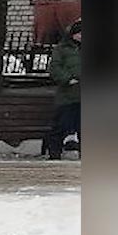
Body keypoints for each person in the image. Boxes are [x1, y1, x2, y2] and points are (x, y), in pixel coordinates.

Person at [43, 19, 81, 159]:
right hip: (68, 95)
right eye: (79, 33)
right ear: (73, 34)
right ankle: (54, 153)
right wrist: (67, 79)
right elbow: (55, 68)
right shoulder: (62, 49)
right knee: (61, 125)